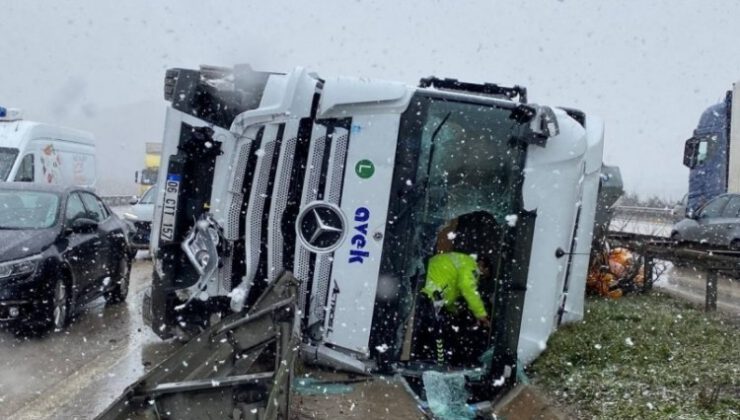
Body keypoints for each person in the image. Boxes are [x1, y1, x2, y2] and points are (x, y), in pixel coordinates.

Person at [412, 251, 492, 367]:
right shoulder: (470, 266)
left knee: (428, 329)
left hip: (429, 290)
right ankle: (435, 362)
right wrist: (481, 314)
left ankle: (422, 358)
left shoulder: (462, 261)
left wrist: (453, 309)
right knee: (436, 331)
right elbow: (467, 288)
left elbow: (452, 292)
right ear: (482, 264)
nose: (480, 278)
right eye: (484, 274)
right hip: (432, 291)